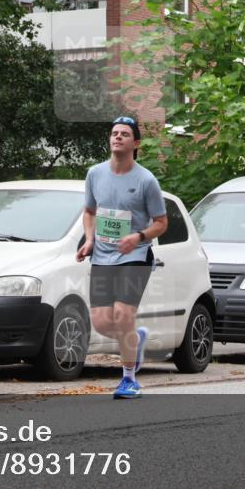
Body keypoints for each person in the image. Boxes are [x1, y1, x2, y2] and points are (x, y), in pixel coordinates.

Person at [76, 116, 168, 399]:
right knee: (103, 323)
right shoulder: (95, 174)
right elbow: (90, 212)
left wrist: (138, 237)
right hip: (102, 255)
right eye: (114, 133)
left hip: (135, 256)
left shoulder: (145, 180)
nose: (117, 137)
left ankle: (129, 379)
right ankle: (135, 338)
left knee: (123, 314)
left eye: (124, 134)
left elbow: (161, 222)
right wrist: (90, 240)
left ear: (135, 143)